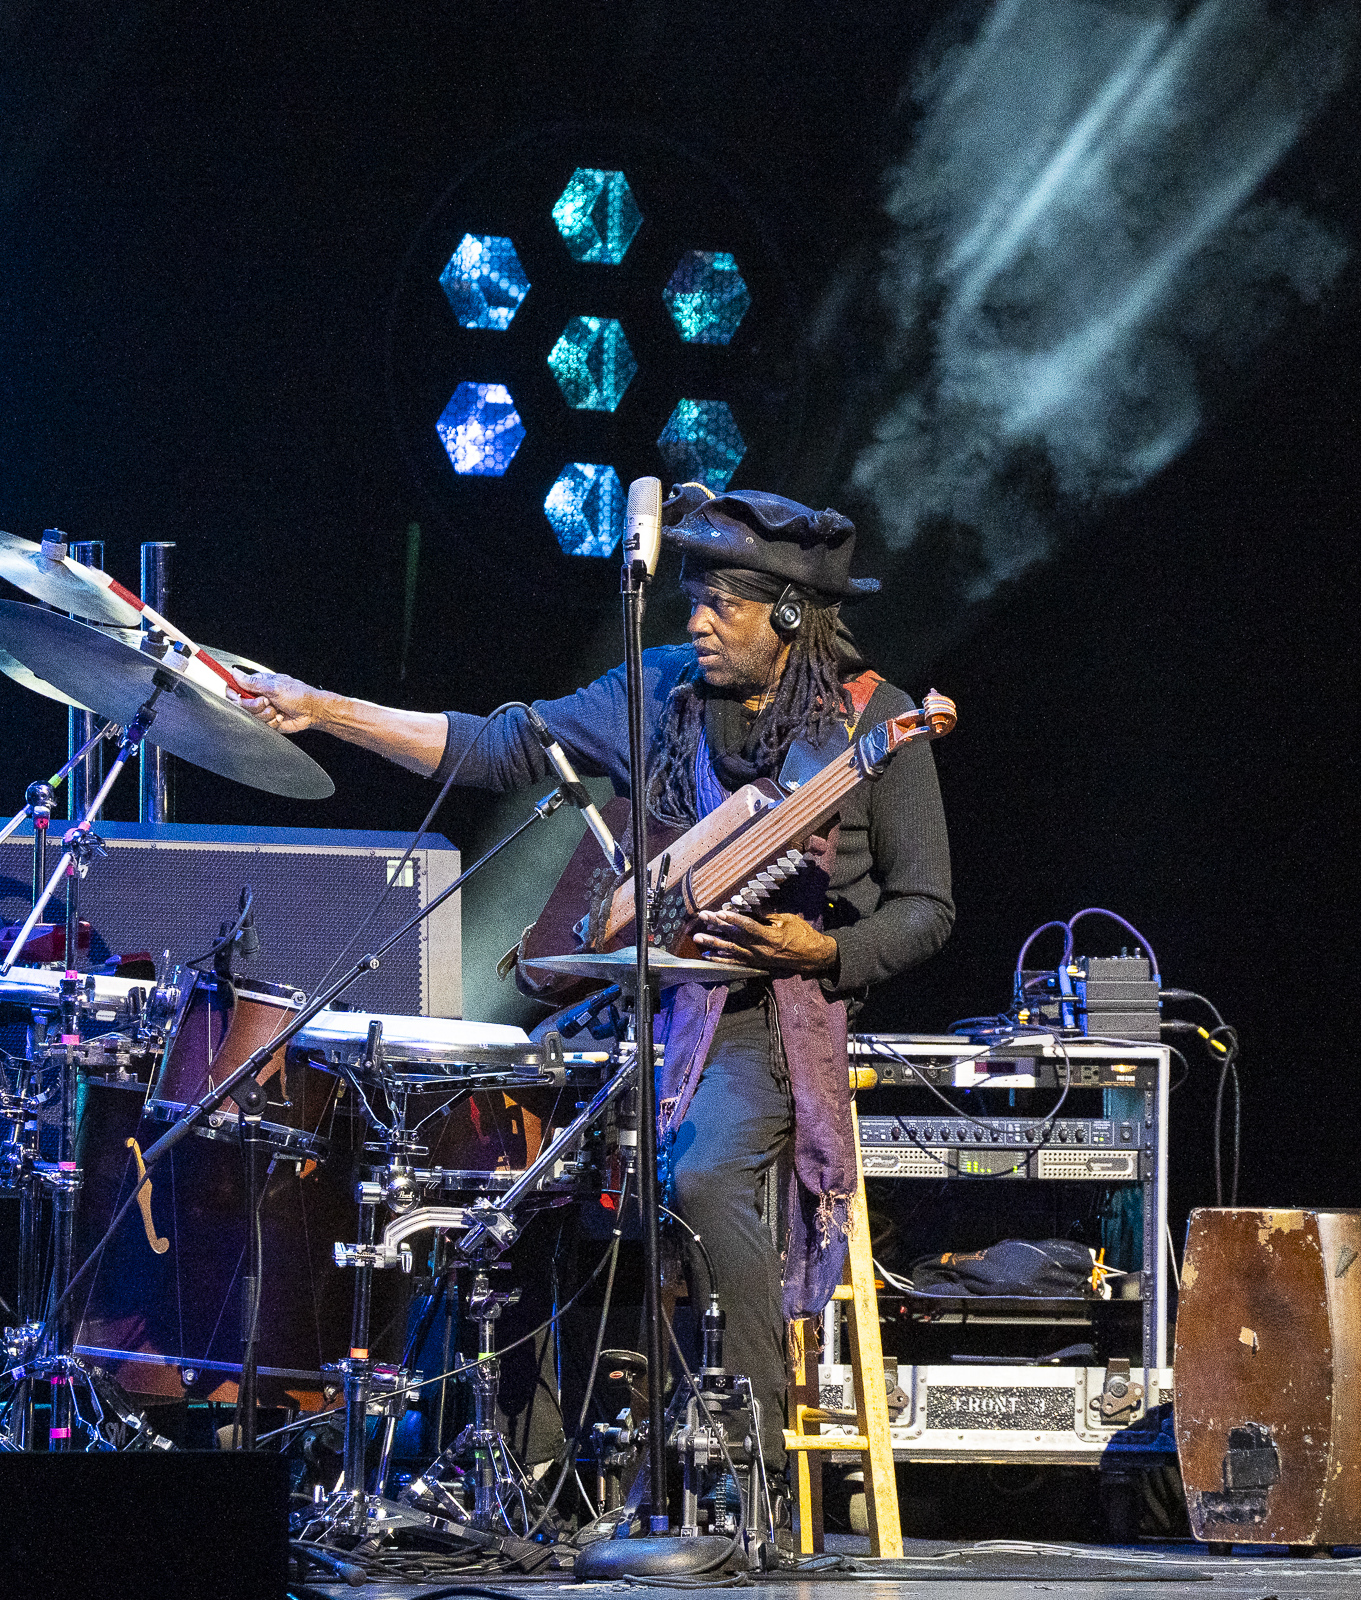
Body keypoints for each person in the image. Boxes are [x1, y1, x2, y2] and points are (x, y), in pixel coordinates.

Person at [236, 484, 952, 1478]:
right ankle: (523, 1468)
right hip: (644, 1011)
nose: (694, 621)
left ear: (790, 618)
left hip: (770, 1023)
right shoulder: (659, 692)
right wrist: (323, 710)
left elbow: (926, 909)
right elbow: (497, 745)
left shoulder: (877, 720)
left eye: (722, 605)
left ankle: (744, 1472)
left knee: (692, 1175)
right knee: (513, 1185)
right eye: (691, 596)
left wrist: (820, 950)